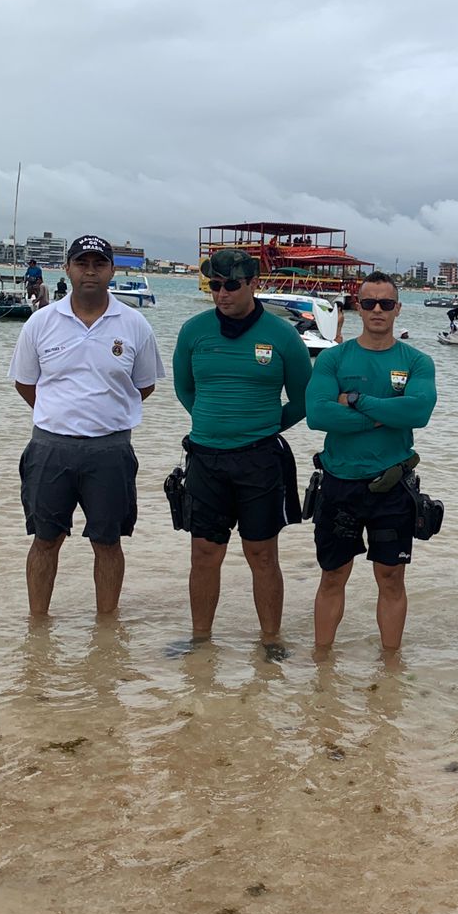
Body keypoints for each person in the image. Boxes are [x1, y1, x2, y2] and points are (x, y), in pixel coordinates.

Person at [9, 235, 165, 617]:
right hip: (50, 448)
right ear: (68, 269)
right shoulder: (41, 322)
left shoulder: (134, 325)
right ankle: (38, 625)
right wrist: (59, 414)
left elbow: (145, 385)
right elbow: (24, 383)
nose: (90, 271)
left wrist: (105, 414)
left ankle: (106, 628)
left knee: (108, 541)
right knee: (45, 539)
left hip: (110, 450)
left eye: (99, 264)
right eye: (82, 263)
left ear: (112, 270)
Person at [172, 248, 313, 653]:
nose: (222, 293)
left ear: (254, 284)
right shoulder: (193, 331)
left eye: (231, 285)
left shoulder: (283, 335)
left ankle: (271, 640)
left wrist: (262, 427)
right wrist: (210, 419)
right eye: (214, 286)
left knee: (262, 553)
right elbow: (185, 389)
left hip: (260, 459)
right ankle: (200, 639)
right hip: (205, 457)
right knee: (204, 552)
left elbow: (303, 400)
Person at [306, 273, 438, 652]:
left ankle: (391, 665)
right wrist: (385, 415)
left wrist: (357, 400)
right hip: (338, 482)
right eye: (368, 303)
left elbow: (419, 410)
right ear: (357, 307)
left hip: (392, 485)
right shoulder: (333, 358)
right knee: (333, 575)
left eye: (385, 303)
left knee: (392, 577)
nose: (377, 310)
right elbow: (318, 415)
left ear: (398, 308)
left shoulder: (417, 360)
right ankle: (322, 663)